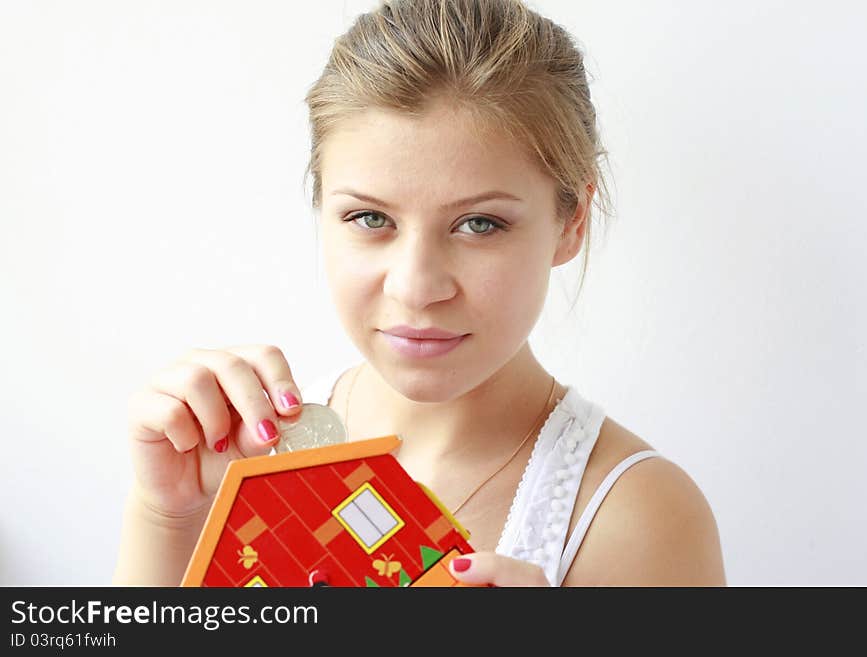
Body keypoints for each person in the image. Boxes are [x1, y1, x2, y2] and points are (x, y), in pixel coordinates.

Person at [113, 0, 725, 587]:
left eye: (480, 224)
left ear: (572, 223)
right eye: (369, 219)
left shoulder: (634, 519)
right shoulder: (234, 458)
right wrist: (164, 513)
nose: (416, 287)